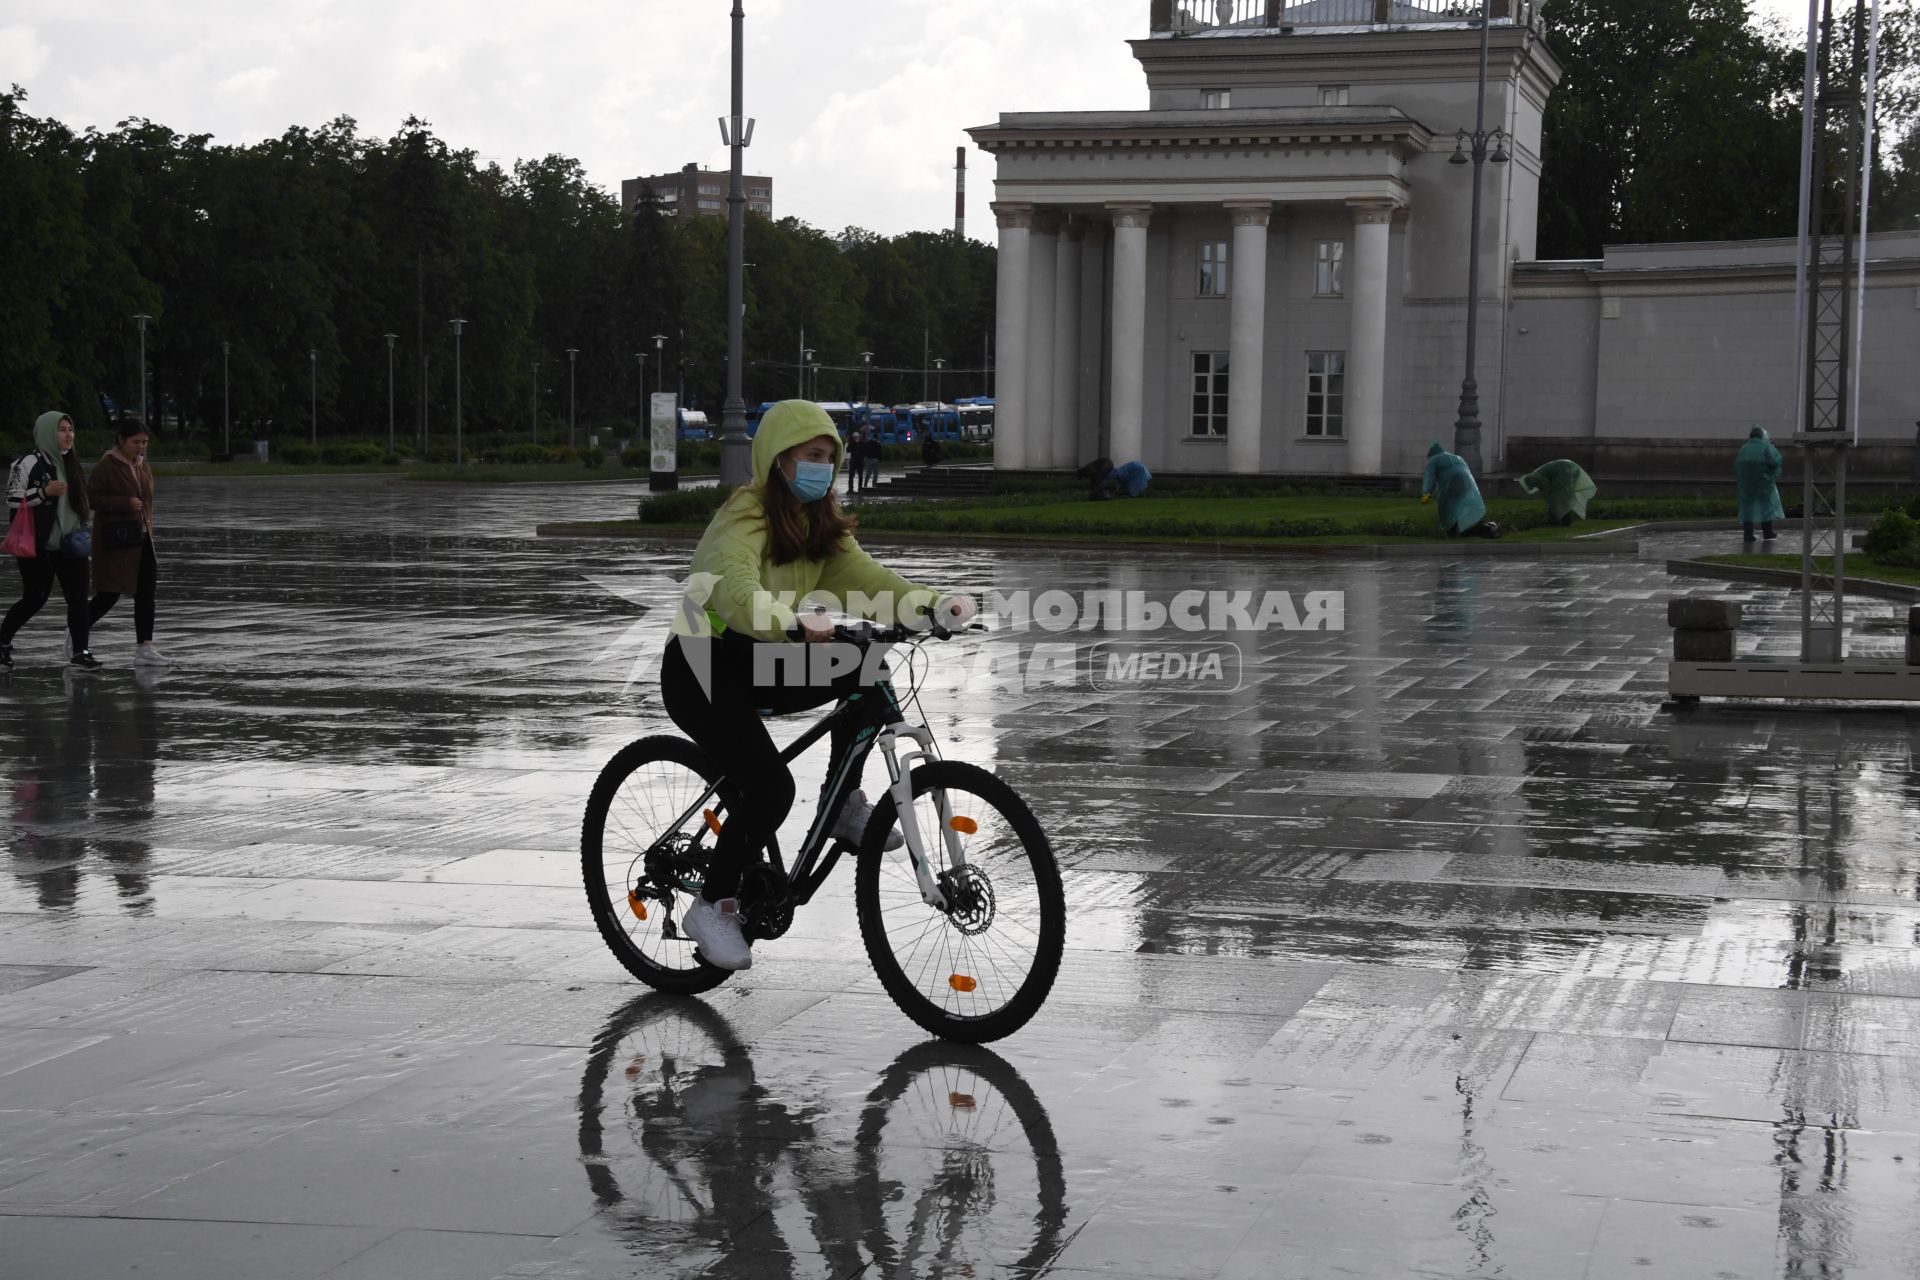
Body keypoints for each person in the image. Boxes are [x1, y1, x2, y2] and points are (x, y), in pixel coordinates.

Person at [661, 400, 975, 970]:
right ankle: (711, 906)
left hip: (757, 658)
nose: (824, 468)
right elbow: (731, 585)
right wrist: (788, 621)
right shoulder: (745, 515)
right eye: (812, 455)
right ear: (780, 459)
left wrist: (933, 605)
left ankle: (841, 806)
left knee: (864, 665)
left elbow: (870, 580)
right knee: (770, 790)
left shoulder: (816, 525)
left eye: (830, 457)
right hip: (702, 666)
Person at [2, 411, 99, 671]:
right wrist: (44, 492)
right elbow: (12, 499)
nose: (69, 435)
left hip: (71, 546)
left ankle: (81, 652)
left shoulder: (73, 463)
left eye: (71, 429)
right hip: (37, 545)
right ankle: (2, 642)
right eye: (62, 429)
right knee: (34, 599)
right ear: (46, 432)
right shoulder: (25, 463)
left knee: (78, 599)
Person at [87, 422, 166, 666]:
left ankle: (145, 646)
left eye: (144, 442)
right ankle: (77, 629)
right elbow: (92, 498)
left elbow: (147, 498)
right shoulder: (107, 465)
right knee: (109, 594)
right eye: (136, 442)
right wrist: (123, 503)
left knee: (146, 592)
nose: (141, 447)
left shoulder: (142, 466)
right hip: (117, 540)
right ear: (121, 440)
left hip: (141, 537)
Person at [1421, 441, 1500, 538]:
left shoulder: (1434, 460)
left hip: (1453, 482)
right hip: (1468, 484)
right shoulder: (1458, 458)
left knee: (1448, 506)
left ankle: (1451, 530)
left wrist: (1426, 494)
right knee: (1464, 506)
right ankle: (1482, 528)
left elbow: (1429, 477)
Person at [1735, 424, 1784, 541]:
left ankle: (1748, 534)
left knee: (1747, 507)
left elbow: (1738, 465)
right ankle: (1767, 532)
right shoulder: (1766, 447)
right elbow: (1774, 462)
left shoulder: (1744, 448)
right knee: (1766, 506)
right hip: (1763, 482)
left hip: (1746, 484)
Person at [1516, 459, 1597, 526]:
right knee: (1566, 498)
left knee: (1555, 499)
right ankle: (1566, 522)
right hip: (1571, 468)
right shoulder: (1537, 473)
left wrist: (1546, 494)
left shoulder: (1535, 477)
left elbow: (1546, 487)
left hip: (1564, 470)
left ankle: (1553, 522)